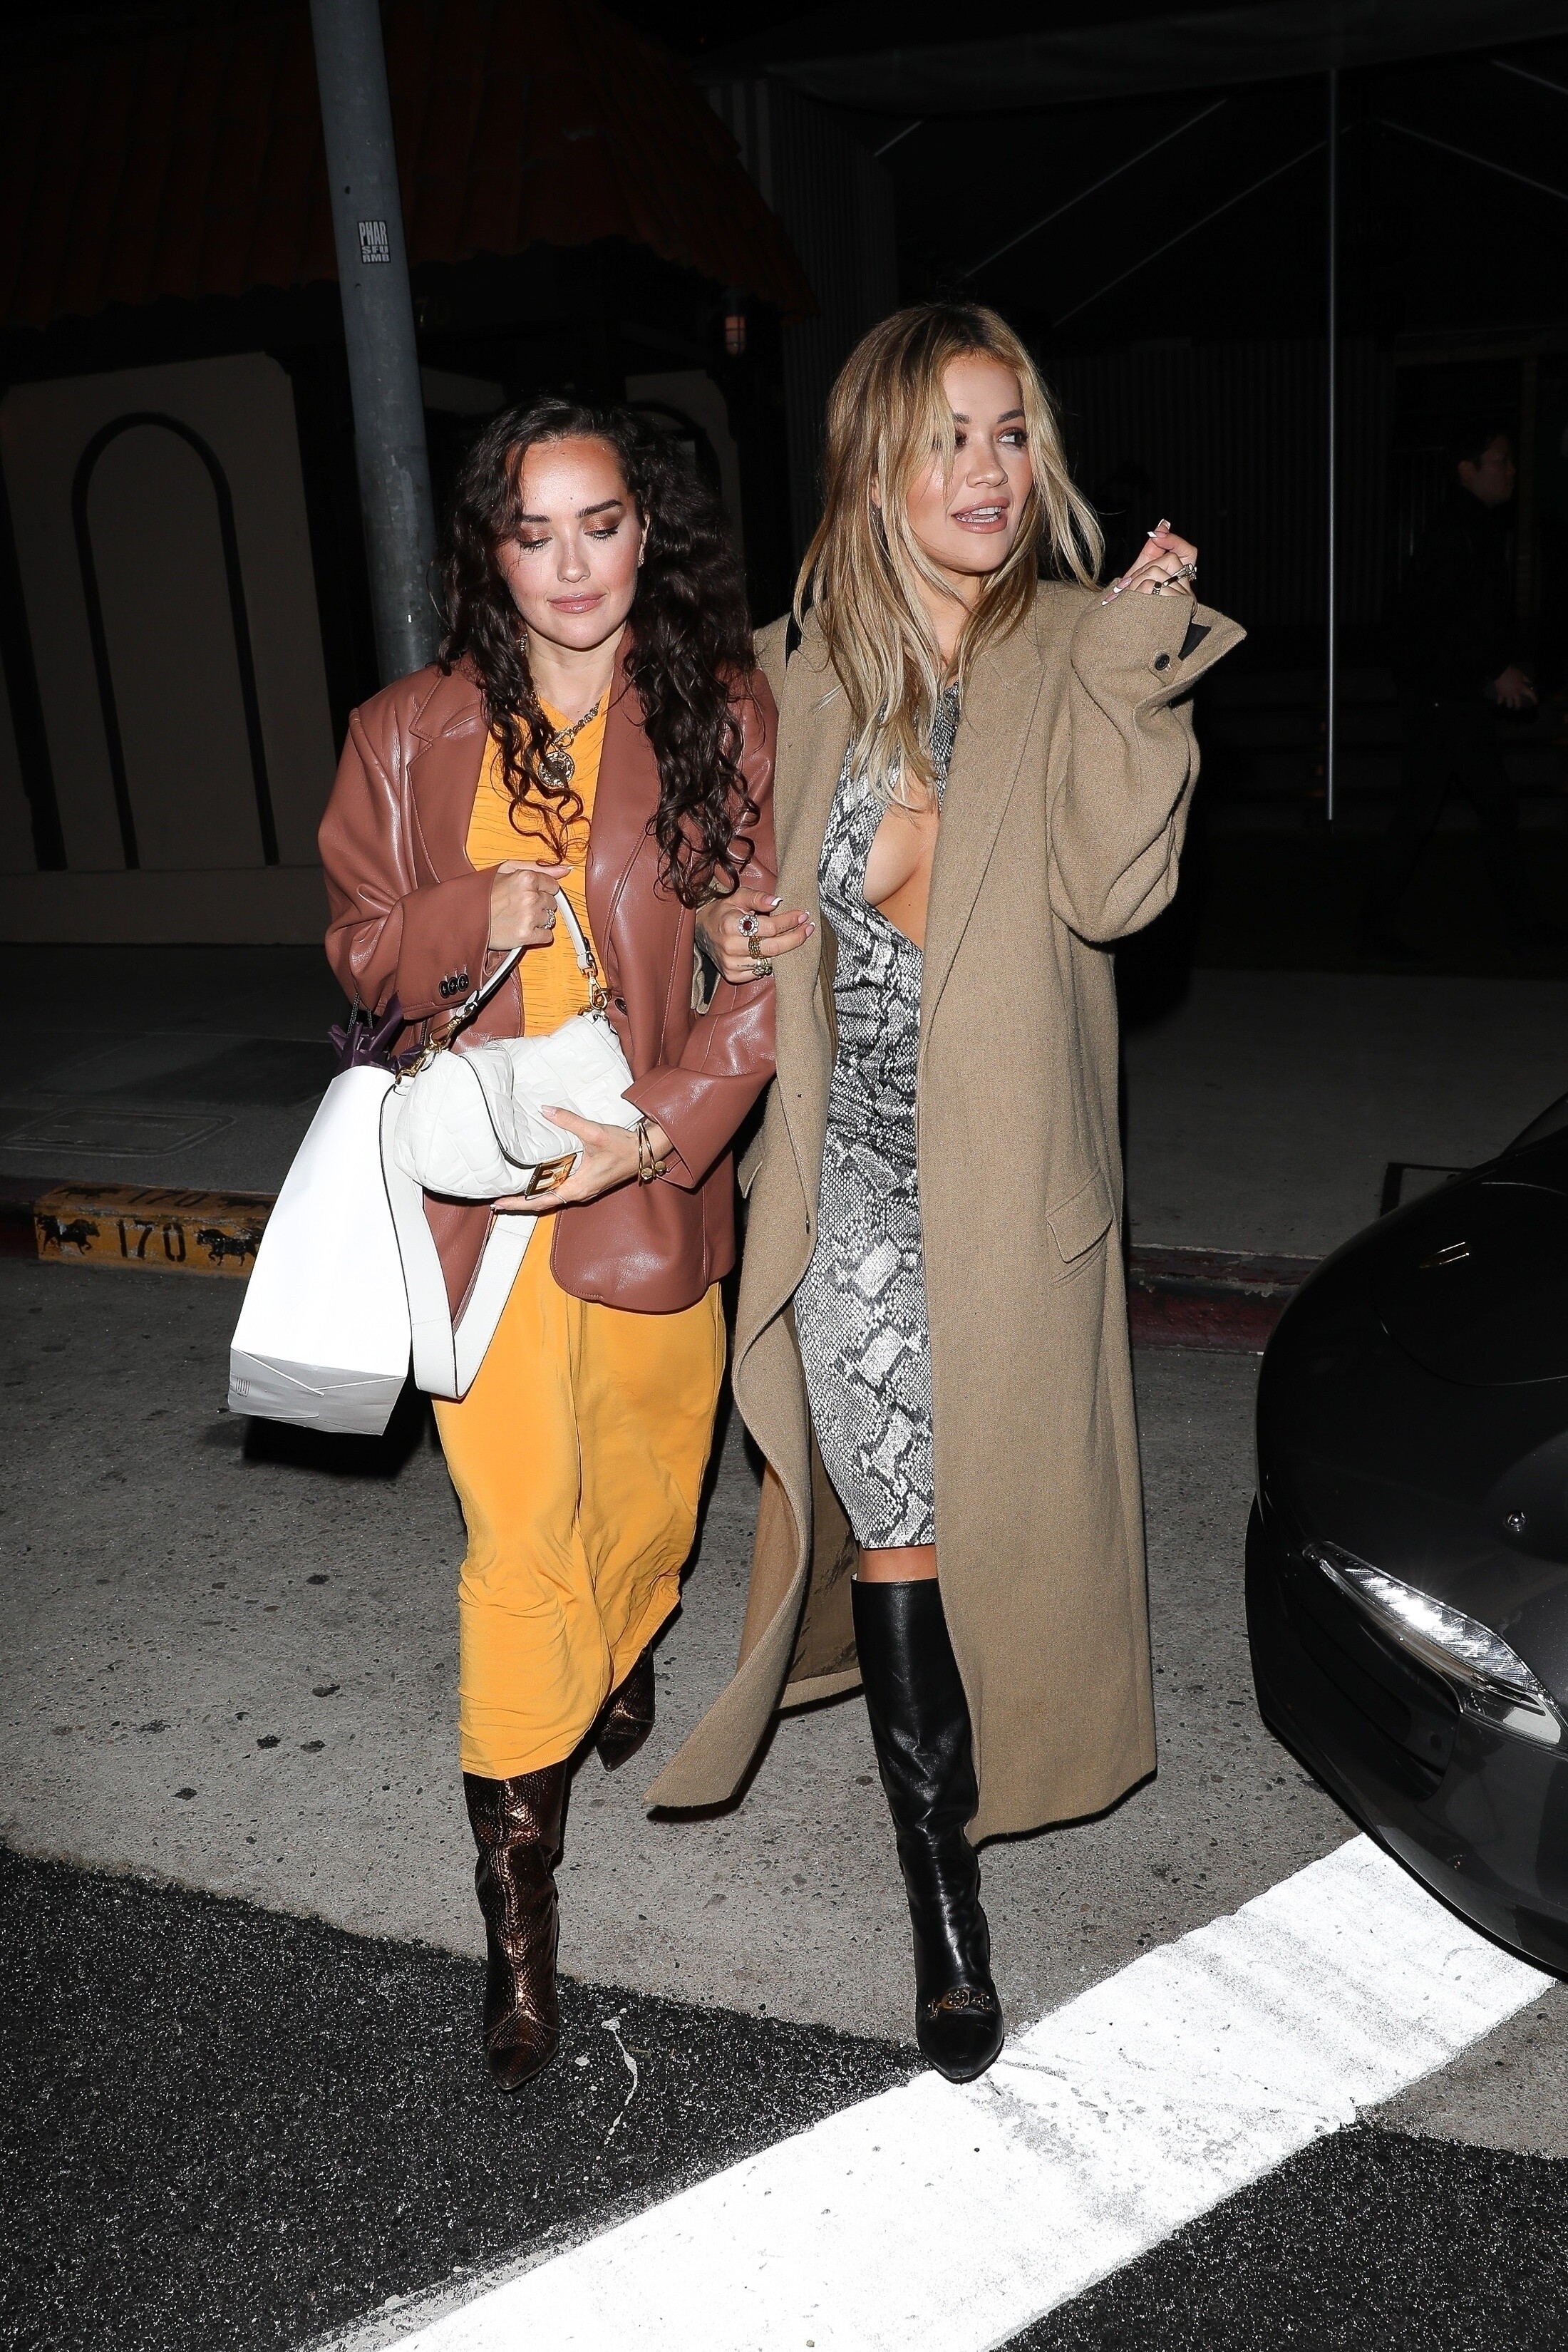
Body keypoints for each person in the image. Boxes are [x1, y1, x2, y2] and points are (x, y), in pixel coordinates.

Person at [644, 302, 1242, 2083]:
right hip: (847, 1184)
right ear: (876, 464)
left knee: (1002, 1530)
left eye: (1011, 433)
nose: (989, 471)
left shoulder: (1070, 648)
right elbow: (703, 899)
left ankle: (969, 1824)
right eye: (950, 438)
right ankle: (943, 1894)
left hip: (1012, 1186)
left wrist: (1133, 668)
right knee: (901, 1524)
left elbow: (1116, 892)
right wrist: (732, 937)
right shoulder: (788, 671)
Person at [319, 398, 778, 2092]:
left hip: (644, 1180)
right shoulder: (403, 732)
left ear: (645, 533)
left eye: (600, 525)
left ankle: (627, 1636)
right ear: (490, 550)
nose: (571, 565)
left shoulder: (722, 711)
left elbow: (758, 979)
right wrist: (469, 915)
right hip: (482, 1205)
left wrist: (657, 1124)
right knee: (517, 1545)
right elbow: (360, 950)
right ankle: (520, 1932)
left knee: (647, 1507)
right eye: (535, 532)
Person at [1361, 419, 1539, 958]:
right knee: (1431, 812)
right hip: (1442, 697)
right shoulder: (1456, 530)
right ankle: (1376, 931)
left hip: (1448, 693)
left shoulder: (1471, 526)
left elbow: (1470, 616)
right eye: (1500, 461)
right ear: (1467, 469)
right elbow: (1442, 618)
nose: (1510, 471)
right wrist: (1494, 669)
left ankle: (1522, 925)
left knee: (1480, 809)